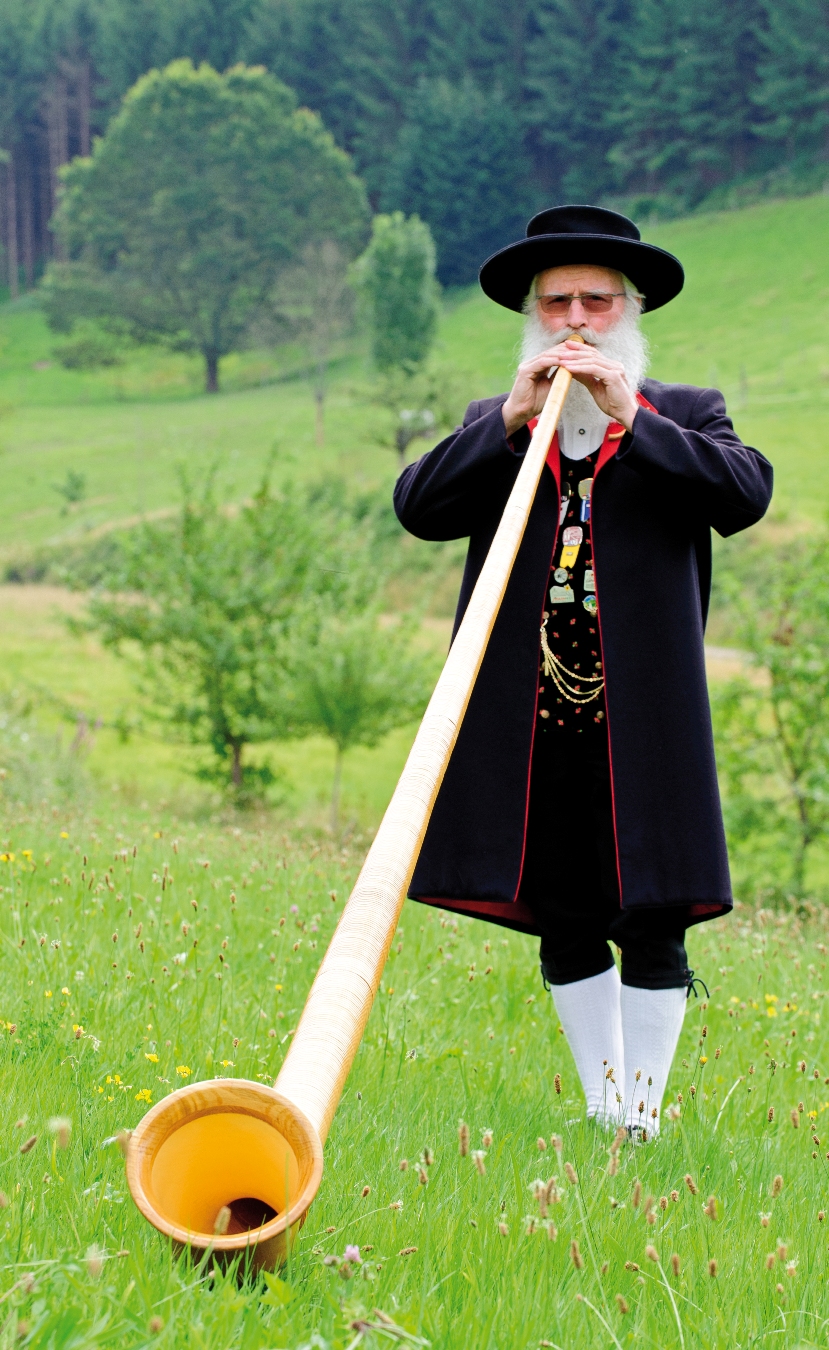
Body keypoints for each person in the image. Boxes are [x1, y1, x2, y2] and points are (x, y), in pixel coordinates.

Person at [394, 205, 773, 1135]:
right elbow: (418, 507)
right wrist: (513, 421)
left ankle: (642, 1113)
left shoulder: (682, 413)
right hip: (529, 727)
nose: (574, 320)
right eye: (555, 301)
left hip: (643, 719)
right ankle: (608, 1109)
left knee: (652, 913)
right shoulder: (500, 422)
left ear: (629, 310)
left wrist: (625, 413)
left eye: (595, 303)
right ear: (530, 315)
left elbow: (744, 493)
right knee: (562, 915)